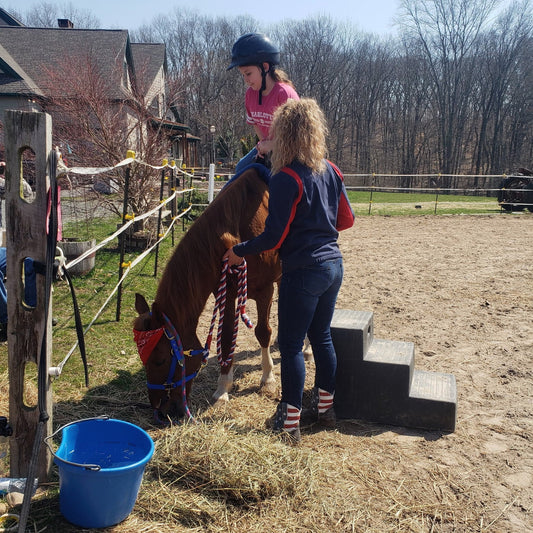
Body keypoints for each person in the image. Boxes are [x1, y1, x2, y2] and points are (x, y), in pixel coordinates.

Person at [223, 98, 355, 442]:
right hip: (333, 266)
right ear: (314, 132)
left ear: (283, 134)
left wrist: (239, 251)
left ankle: (289, 421)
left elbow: (273, 236)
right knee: (322, 336)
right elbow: (347, 220)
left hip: (303, 270)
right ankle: (325, 409)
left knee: (292, 346)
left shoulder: (286, 178)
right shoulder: (332, 170)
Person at [227, 33, 299, 174]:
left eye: (248, 73)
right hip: (267, 147)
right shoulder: (250, 94)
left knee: (280, 180)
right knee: (241, 168)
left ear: (265, 67)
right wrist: (263, 144)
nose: (245, 79)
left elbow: (296, 136)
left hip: (289, 150)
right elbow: (255, 123)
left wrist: (272, 145)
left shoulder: (284, 94)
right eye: (243, 75)